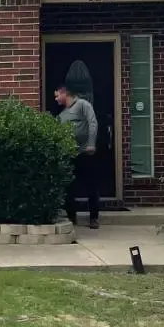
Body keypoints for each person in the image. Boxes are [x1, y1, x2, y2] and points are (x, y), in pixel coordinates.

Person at [56, 64, 99, 228]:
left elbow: (93, 123)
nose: (56, 99)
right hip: (70, 154)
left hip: (85, 153)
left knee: (91, 186)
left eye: (57, 95)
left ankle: (94, 218)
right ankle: (71, 217)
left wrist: (91, 144)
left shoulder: (83, 105)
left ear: (65, 93)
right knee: (69, 187)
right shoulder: (62, 114)